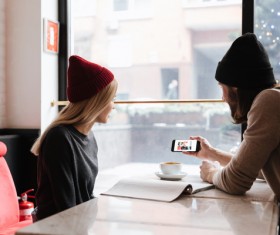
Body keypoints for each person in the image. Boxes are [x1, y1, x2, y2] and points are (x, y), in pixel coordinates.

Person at [183, 33, 280, 202]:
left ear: (235, 88)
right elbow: (255, 168)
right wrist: (212, 153)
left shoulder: (269, 101)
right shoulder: (274, 98)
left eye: (222, 87)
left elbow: (236, 182)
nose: (222, 97)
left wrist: (210, 174)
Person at [30, 55, 118, 220]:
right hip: (55, 228)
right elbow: (66, 207)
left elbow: (86, 195)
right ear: (97, 101)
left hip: (79, 222)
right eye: (112, 99)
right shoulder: (59, 138)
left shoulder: (89, 137)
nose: (114, 105)